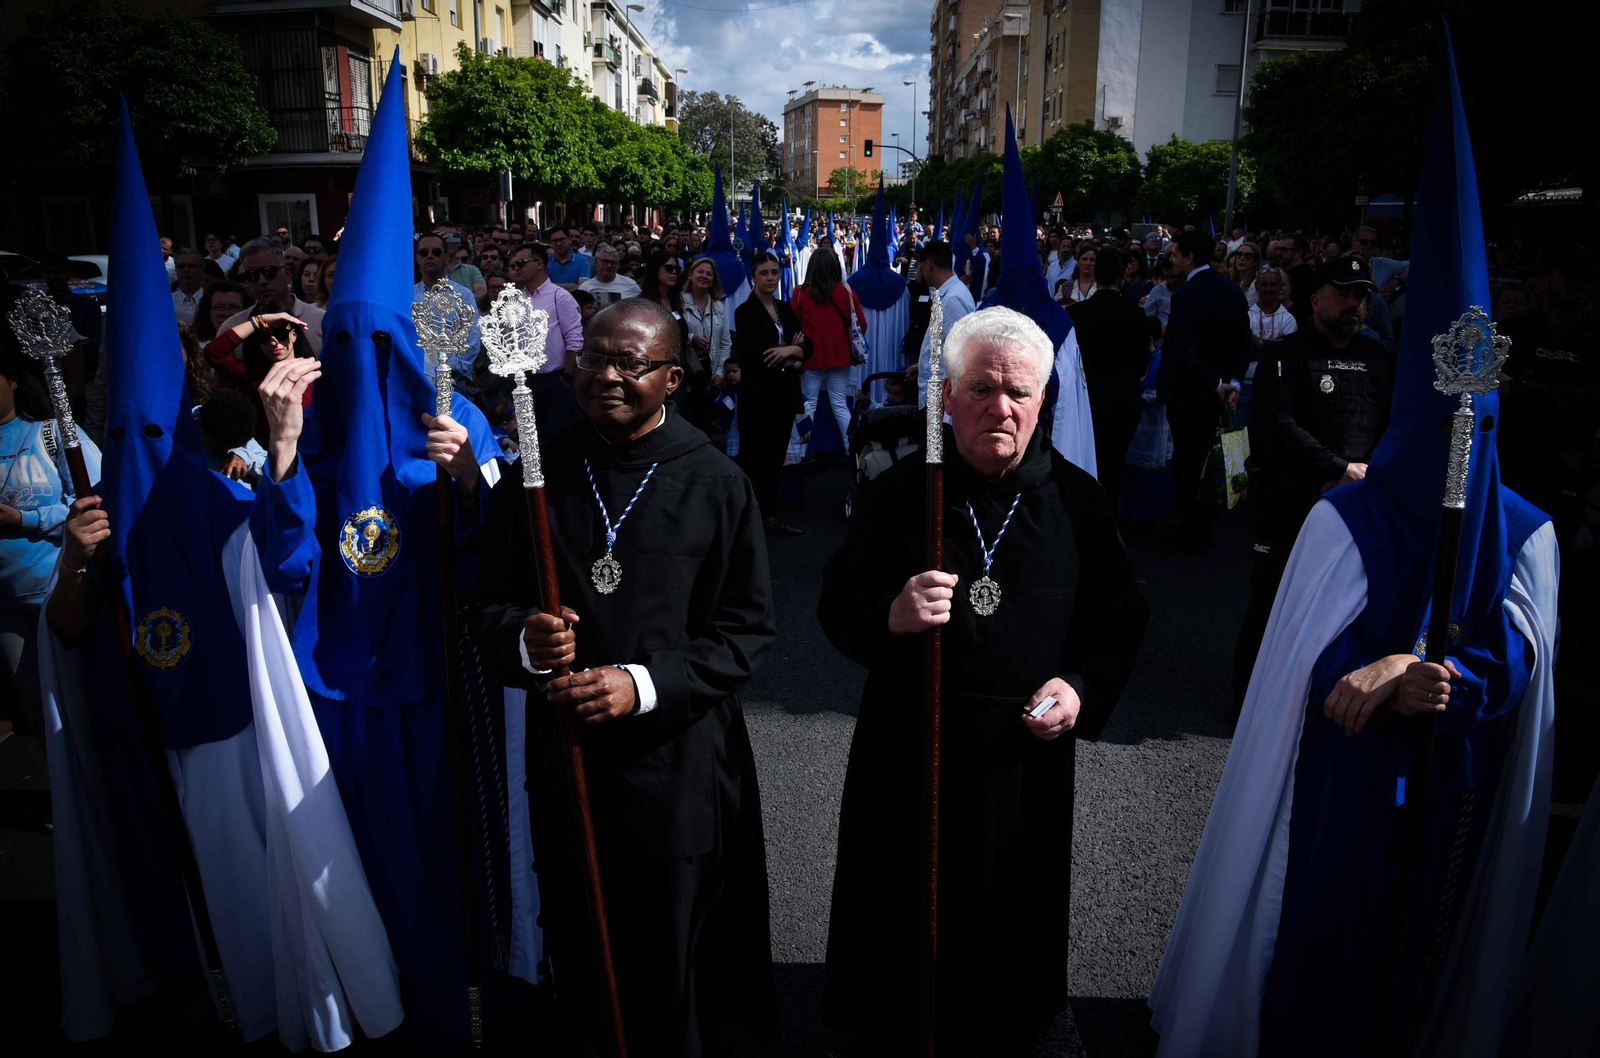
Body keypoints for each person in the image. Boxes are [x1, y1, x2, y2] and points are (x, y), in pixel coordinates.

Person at [1152, 43, 1557, 1056]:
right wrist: (1358, 671)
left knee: (1429, 967)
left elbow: (1529, 658)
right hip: (1340, 788)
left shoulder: (1527, 531)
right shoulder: (1348, 523)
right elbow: (1305, 665)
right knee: (1325, 959)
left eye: (1481, 422)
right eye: (1444, 424)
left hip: (1460, 783)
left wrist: (1448, 676)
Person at [40, 104, 403, 1050]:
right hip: (134, 730)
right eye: (123, 436)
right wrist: (80, 557)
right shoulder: (111, 500)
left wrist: (281, 462)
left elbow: (280, 569)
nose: (138, 450)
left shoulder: (219, 488)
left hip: (225, 730)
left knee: (241, 889)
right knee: (157, 894)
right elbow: (69, 632)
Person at [249, 54, 509, 1045]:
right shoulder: (306, 433)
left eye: (378, 343)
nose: (362, 365)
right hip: (337, 693)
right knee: (348, 866)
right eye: (343, 342)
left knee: (442, 867)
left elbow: (505, 549)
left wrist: (467, 479)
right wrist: (279, 456)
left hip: (440, 684)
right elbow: (282, 571)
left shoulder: (461, 420)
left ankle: (450, 1011)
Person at [819, 305, 1148, 1052]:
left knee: (1012, 920)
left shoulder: (1078, 500)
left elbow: (1119, 618)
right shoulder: (903, 490)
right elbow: (836, 602)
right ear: (947, 395)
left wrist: (1078, 687)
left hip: (1021, 759)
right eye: (981, 388)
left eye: (1019, 392)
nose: (1001, 406)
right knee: (897, 908)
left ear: (1043, 402)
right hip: (911, 737)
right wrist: (892, 615)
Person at [474, 298, 778, 1054]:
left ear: (671, 378)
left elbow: (746, 635)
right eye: (594, 359)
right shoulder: (538, 475)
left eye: (630, 364)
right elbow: (484, 604)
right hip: (567, 758)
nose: (606, 375)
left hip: (674, 766)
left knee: (669, 959)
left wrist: (639, 683)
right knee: (579, 941)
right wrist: (524, 638)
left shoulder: (716, 481)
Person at [1232, 256, 1391, 713]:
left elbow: (1394, 424)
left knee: (1345, 604)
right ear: (1315, 299)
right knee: (1272, 599)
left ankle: (1314, 698)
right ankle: (1250, 703)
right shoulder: (1285, 354)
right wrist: (1337, 468)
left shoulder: (1379, 357)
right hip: (1294, 501)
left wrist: (1371, 470)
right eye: (1344, 293)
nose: (1354, 304)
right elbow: (1276, 424)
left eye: (1361, 296)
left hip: (1360, 504)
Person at [0, 348, 102, 737]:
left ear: (12, 380)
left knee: (90, 693)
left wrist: (25, 518)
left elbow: (95, 499)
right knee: (41, 710)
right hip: (7, 605)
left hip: (64, 590)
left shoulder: (51, 432)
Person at [1158, 227, 1251, 550]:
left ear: (1189, 256)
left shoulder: (1185, 295)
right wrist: (1233, 383)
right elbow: (1243, 343)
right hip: (1222, 390)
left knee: (1189, 460)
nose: (1171, 259)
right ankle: (1206, 522)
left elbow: (1183, 350)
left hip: (1191, 394)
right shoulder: (1232, 290)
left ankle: (1191, 528)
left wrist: (1216, 385)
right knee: (1213, 456)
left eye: (1174, 254)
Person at [731, 251, 808, 535]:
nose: (770, 278)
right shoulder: (744, 312)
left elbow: (807, 346)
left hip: (784, 394)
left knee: (775, 457)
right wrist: (791, 350)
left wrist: (790, 350)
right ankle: (748, 519)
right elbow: (757, 355)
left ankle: (770, 516)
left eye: (774, 272)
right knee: (754, 457)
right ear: (753, 276)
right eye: (764, 272)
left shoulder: (785, 308)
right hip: (758, 395)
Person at [1067, 246, 1149, 510]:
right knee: (1114, 466)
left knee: (1086, 463)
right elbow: (1140, 363)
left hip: (1086, 401)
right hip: (1122, 400)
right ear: (1121, 276)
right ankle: (1109, 516)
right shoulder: (1135, 314)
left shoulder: (1078, 314)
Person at [507, 241, 584, 451]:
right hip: (525, 380)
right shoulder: (516, 299)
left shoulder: (560, 297)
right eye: (514, 264)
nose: (516, 268)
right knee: (530, 438)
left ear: (539, 264)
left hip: (555, 381)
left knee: (556, 439)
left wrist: (567, 376)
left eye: (521, 263)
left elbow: (574, 339)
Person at [791, 247, 866, 448]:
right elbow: (861, 325)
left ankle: (800, 453)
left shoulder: (800, 293)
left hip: (810, 357)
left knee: (809, 405)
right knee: (840, 405)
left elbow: (792, 325)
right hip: (839, 357)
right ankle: (852, 450)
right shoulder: (845, 291)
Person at [217, 237, 325, 355]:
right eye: (252, 275)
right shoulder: (234, 327)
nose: (262, 281)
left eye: (269, 272)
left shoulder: (322, 321)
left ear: (287, 274)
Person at [412, 232, 483, 402]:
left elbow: (471, 342)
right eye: (424, 252)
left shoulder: (463, 295)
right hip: (415, 377)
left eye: (436, 252)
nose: (429, 256)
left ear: (446, 258)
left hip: (455, 383)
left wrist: (441, 372)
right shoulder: (408, 295)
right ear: (417, 259)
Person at [915, 240, 974, 407]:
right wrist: (919, 365)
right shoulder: (949, 295)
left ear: (928, 265)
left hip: (940, 398)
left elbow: (956, 353)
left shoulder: (953, 299)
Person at [1242, 266, 1297, 425]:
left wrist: (1256, 343)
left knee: (1268, 439)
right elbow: (1240, 351)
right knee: (1237, 438)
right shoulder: (1246, 316)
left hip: (1274, 389)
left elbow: (1283, 354)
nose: (1268, 289)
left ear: (1280, 287)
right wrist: (1271, 346)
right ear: (1257, 286)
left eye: (1273, 284)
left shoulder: (1288, 319)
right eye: (1264, 285)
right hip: (1244, 387)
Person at [680, 257, 731, 386]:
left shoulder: (718, 306)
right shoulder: (679, 303)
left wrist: (720, 372)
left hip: (712, 377)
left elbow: (725, 344)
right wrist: (691, 338)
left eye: (709, 274)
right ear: (691, 275)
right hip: (686, 377)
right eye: (700, 272)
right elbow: (673, 334)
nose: (704, 276)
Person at [546, 226, 592, 292]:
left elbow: (583, 287)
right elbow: (542, 286)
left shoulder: (582, 261)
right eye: (555, 241)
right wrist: (570, 286)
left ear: (569, 240)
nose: (559, 244)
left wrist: (553, 286)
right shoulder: (545, 261)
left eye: (562, 239)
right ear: (551, 243)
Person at [171, 249, 206, 327]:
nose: (186, 270)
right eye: (181, 266)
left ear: (202, 269)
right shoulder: (168, 301)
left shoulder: (210, 299)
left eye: (191, 266)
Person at [1230, 242, 1261, 307]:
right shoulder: (1233, 280)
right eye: (1239, 254)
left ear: (1255, 261)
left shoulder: (1255, 285)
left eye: (1247, 256)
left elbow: (1248, 309)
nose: (1242, 258)